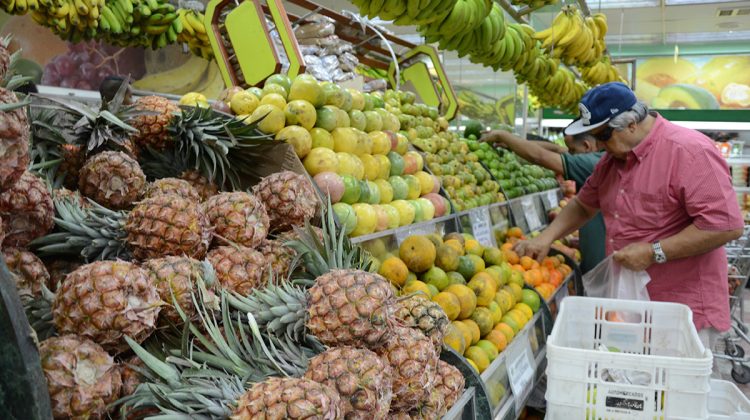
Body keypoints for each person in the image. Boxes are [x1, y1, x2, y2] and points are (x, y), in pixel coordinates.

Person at [514, 82, 744, 351]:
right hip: (630, 302)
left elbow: (725, 226)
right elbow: (584, 205)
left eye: (603, 136)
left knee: (672, 388)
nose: (598, 145)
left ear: (632, 123)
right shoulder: (611, 162)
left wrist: (654, 251)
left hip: (680, 310)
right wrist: (546, 237)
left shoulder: (689, 151)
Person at [480, 125, 606, 274]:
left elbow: (540, 156)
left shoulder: (595, 163)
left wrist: (503, 135)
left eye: (572, 150)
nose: (569, 154)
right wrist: (513, 143)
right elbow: (558, 150)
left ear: (586, 146)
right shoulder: (602, 159)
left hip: (604, 271)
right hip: (600, 266)